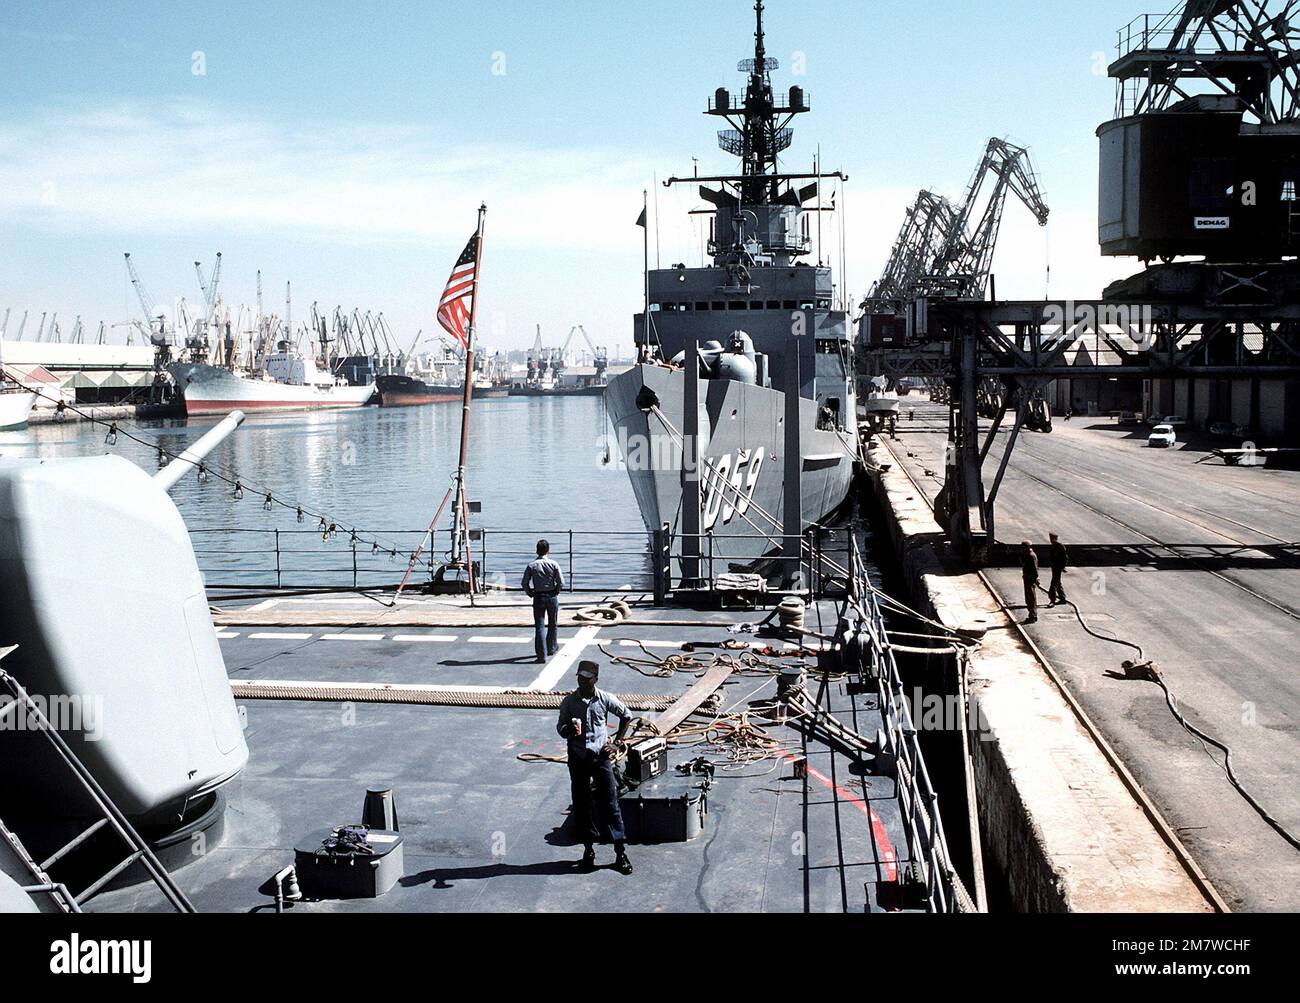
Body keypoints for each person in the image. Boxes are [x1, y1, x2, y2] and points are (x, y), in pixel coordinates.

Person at [557, 661, 633, 875]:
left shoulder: (604, 698)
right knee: (582, 806)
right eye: (580, 677)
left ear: (595, 680)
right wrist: (568, 730)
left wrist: (617, 743)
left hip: (600, 758)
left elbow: (626, 715)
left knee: (611, 803)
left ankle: (620, 852)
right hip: (578, 759)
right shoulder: (569, 702)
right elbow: (560, 726)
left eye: (587, 678)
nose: (582, 681)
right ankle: (588, 850)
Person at [522, 539, 564, 663]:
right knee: (553, 624)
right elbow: (561, 582)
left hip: (538, 597)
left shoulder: (531, 565)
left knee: (539, 626)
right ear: (548, 551)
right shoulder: (554, 564)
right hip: (551, 596)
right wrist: (556, 591)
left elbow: (524, 583)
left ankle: (541, 655)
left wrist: (530, 593)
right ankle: (551, 648)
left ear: (537, 551)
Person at [1020, 540, 1040, 624]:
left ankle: (1033, 616)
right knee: (1029, 598)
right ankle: (1032, 615)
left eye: (1023, 547)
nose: (1022, 549)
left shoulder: (1031, 556)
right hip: (1027, 578)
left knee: (1031, 598)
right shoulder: (1027, 555)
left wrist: (1034, 579)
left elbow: (1035, 570)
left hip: (1030, 579)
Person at [1047, 533, 1069, 607]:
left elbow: (1065, 558)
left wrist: (1062, 567)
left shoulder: (1060, 546)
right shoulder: (1053, 546)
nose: (1050, 540)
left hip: (1058, 567)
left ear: (1055, 538)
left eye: (1052, 538)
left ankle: (1052, 600)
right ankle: (1062, 598)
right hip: (1054, 567)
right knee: (1058, 583)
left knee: (1053, 583)